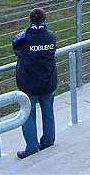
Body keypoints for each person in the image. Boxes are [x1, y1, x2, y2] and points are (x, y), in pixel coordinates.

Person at [12, 8, 57, 159]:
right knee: (48, 112)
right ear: (45, 20)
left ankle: (31, 147)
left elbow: (15, 46)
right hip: (48, 82)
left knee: (28, 115)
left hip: (29, 84)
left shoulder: (24, 38)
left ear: (30, 20)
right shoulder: (51, 37)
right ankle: (48, 141)